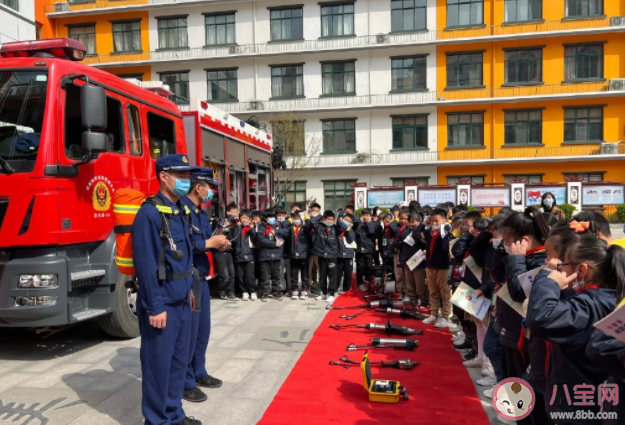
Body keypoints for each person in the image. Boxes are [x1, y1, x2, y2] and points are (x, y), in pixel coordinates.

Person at [132, 154, 201, 425]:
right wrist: (154, 306)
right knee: (157, 366)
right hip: (162, 302)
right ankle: (157, 420)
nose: (186, 181)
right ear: (164, 176)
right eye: (181, 176)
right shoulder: (149, 212)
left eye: (187, 176)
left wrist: (188, 289)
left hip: (182, 298)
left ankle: (174, 414)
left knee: (177, 362)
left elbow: (182, 256)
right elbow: (146, 264)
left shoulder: (180, 209)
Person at [527, 237, 623, 423]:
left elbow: (542, 318)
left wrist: (548, 282)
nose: (559, 270)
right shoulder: (611, 296)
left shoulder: (589, 304)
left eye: (563, 265)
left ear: (581, 269)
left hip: (577, 406)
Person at [180, 167, 228, 404]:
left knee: (203, 330)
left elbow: (203, 242)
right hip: (187, 278)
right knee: (189, 333)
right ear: (198, 187)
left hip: (202, 277)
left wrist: (216, 244)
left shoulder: (200, 211)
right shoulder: (181, 211)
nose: (211, 192)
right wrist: (208, 242)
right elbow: (181, 245)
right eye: (209, 187)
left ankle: (199, 372)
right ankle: (186, 382)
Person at [500, 206, 550, 424]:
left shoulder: (542, 262)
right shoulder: (521, 258)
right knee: (514, 389)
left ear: (525, 241)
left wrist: (516, 259)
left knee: (530, 398)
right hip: (510, 333)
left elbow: (519, 292)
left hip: (526, 341)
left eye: (507, 240)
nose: (504, 245)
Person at [423, 208, 453, 328]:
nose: (434, 223)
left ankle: (445, 316)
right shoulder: (428, 232)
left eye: (437, 221)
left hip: (443, 267)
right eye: (432, 221)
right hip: (430, 265)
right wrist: (424, 222)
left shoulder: (447, 233)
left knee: (445, 292)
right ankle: (434, 313)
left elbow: (448, 248)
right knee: (432, 291)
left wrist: (447, 230)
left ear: (444, 220)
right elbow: (417, 233)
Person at [310, 210, 346, 304]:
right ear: (324, 219)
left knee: (332, 275)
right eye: (328, 219)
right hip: (321, 254)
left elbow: (344, 226)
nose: (330, 221)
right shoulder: (320, 227)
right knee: (322, 274)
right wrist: (320, 216)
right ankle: (323, 292)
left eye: (331, 219)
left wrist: (337, 218)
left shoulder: (335, 228)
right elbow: (312, 222)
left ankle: (331, 294)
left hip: (332, 255)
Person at [395, 212, 428, 306]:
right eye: (410, 221)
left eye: (414, 222)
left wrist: (420, 227)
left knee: (420, 283)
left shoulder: (422, 230)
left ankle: (424, 301)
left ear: (419, 222)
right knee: (409, 283)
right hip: (406, 259)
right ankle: (411, 298)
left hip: (418, 259)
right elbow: (403, 242)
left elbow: (417, 236)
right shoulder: (406, 230)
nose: (411, 224)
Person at [257, 209, 290, 301]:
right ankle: (264, 292)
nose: (271, 219)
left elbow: (286, 233)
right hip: (265, 254)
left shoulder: (278, 225)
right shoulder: (262, 227)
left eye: (273, 217)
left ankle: (276, 292)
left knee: (276, 274)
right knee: (265, 275)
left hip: (277, 254)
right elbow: (261, 239)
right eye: (269, 217)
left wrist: (276, 231)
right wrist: (273, 244)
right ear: (265, 218)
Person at [232, 210, 257, 301]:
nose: (244, 220)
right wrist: (237, 228)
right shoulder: (237, 228)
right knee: (240, 275)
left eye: (246, 218)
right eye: (242, 218)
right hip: (239, 255)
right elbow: (234, 240)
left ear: (249, 219)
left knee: (250, 275)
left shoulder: (251, 229)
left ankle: (253, 291)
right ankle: (244, 292)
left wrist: (252, 229)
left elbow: (255, 240)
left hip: (250, 255)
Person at [355, 208, 381, 292]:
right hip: (359, 249)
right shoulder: (359, 224)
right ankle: (360, 284)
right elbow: (356, 233)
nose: (365, 217)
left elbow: (371, 232)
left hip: (369, 249)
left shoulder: (374, 224)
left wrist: (368, 223)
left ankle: (368, 281)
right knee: (360, 267)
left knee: (369, 267)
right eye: (364, 215)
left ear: (370, 216)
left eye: (367, 215)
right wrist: (361, 224)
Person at [287, 211, 311, 299]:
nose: (296, 220)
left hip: (303, 254)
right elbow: (283, 230)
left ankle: (305, 289)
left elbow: (310, 226)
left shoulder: (305, 228)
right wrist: (288, 220)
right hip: (293, 254)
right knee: (294, 273)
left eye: (298, 219)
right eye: (295, 219)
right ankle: (295, 289)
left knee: (304, 273)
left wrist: (307, 218)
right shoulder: (290, 228)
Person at [336, 213, 356, 293]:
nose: (346, 222)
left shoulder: (351, 231)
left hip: (348, 255)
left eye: (348, 221)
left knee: (348, 273)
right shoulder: (338, 229)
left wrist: (349, 230)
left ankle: (346, 289)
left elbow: (351, 240)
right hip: (339, 254)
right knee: (338, 273)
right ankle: (335, 288)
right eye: (345, 220)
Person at [307, 202, 322, 290]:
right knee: (309, 267)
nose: (315, 212)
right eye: (313, 211)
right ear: (310, 211)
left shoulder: (321, 221)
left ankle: (320, 284)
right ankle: (310, 283)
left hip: (317, 248)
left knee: (318, 267)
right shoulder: (306, 219)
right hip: (308, 247)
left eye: (317, 211)